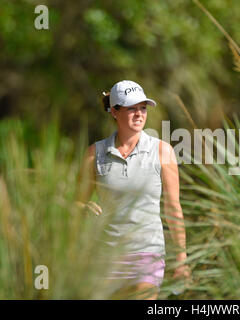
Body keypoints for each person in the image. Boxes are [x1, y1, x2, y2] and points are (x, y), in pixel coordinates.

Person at [76, 80, 191, 300]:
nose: (139, 114)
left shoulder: (162, 151)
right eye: (131, 108)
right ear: (114, 112)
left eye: (143, 108)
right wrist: (84, 207)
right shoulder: (94, 153)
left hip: (147, 253)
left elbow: (173, 207)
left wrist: (181, 259)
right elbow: (74, 203)